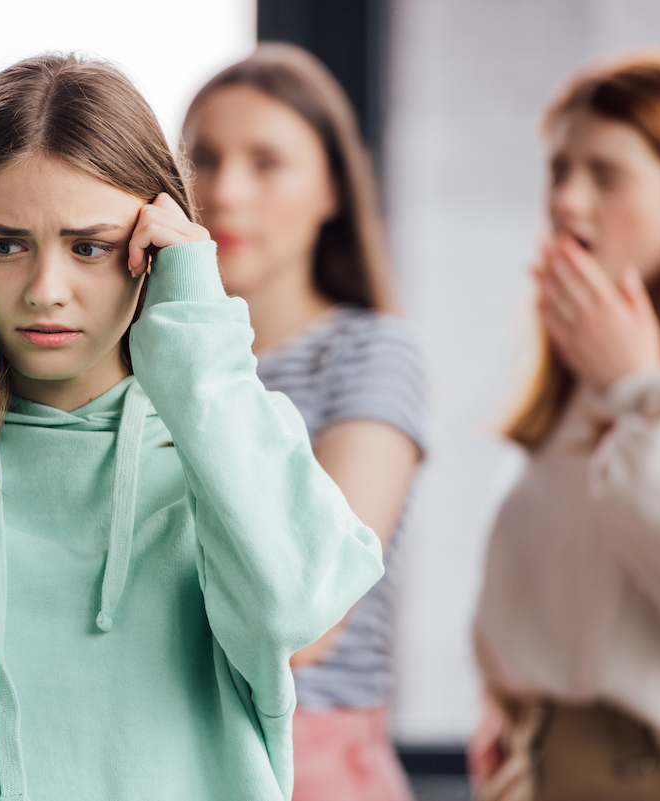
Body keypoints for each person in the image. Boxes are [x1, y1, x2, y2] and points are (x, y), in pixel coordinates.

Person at [0, 53, 385, 801]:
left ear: (156, 248)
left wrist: (194, 330)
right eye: (7, 244)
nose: (46, 292)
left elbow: (297, 609)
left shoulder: (222, 443)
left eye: (89, 247)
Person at [469, 51, 660, 801]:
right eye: (558, 171)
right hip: (550, 761)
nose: (567, 201)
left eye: (604, 175)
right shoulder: (570, 369)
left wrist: (641, 392)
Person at [182, 43, 425, 801]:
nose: (226, 191)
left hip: (311, 762)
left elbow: (311, 613)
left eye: (267, 162)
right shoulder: (151, 360)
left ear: (332, 190)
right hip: (169, 750)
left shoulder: (371, 351)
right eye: (205, 158)